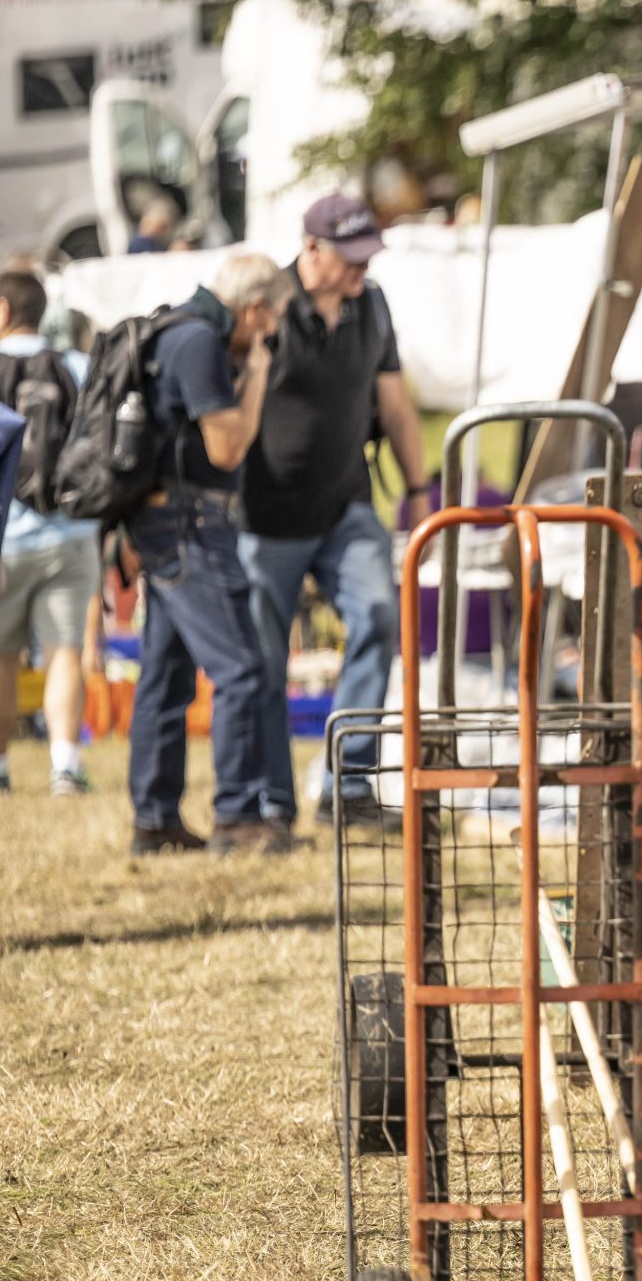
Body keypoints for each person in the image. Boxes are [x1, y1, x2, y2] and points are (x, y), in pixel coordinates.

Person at [237, 194, 427, 830]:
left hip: (348, 506)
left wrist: (419, 487)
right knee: (263, 660)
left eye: (366, 258)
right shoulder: (270, 306)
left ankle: (348, 787)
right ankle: (271, 802)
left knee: (378, 615)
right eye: (349, 259)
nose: (360, 272)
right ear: (310, 248)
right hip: (264, 517)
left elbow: (396, 405)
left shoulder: (372, 306)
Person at [127, 251, 293, 855]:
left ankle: (155, 821)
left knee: (166, 675)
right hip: (189, 521)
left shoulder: (176, 331)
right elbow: (226, 449)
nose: (271, 333)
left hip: (164, 519)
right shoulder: (200, 342)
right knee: (242, 670)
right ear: (254, 309)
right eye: (271, 321)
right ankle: (238, 817)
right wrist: (255, 373)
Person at [0, 267, 100, 795]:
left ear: (2, 311)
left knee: (1, 656)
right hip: (69, 532)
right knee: (65, 650)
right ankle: (64, 761)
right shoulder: (76, 366)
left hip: (4, 539)